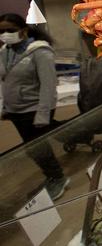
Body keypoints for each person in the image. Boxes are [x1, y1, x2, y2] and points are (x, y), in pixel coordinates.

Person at [0, 14, 70, 200]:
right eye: (1, 31)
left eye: (10, 30)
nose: (5, 34)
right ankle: (51, 175)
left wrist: (43, 114)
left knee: (37, 148)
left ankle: (58, 177)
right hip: (16, 110)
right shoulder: (5, 51)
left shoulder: (40, 52)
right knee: (33, 147)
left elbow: (48, 86)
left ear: (23, 31)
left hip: (34, 108)